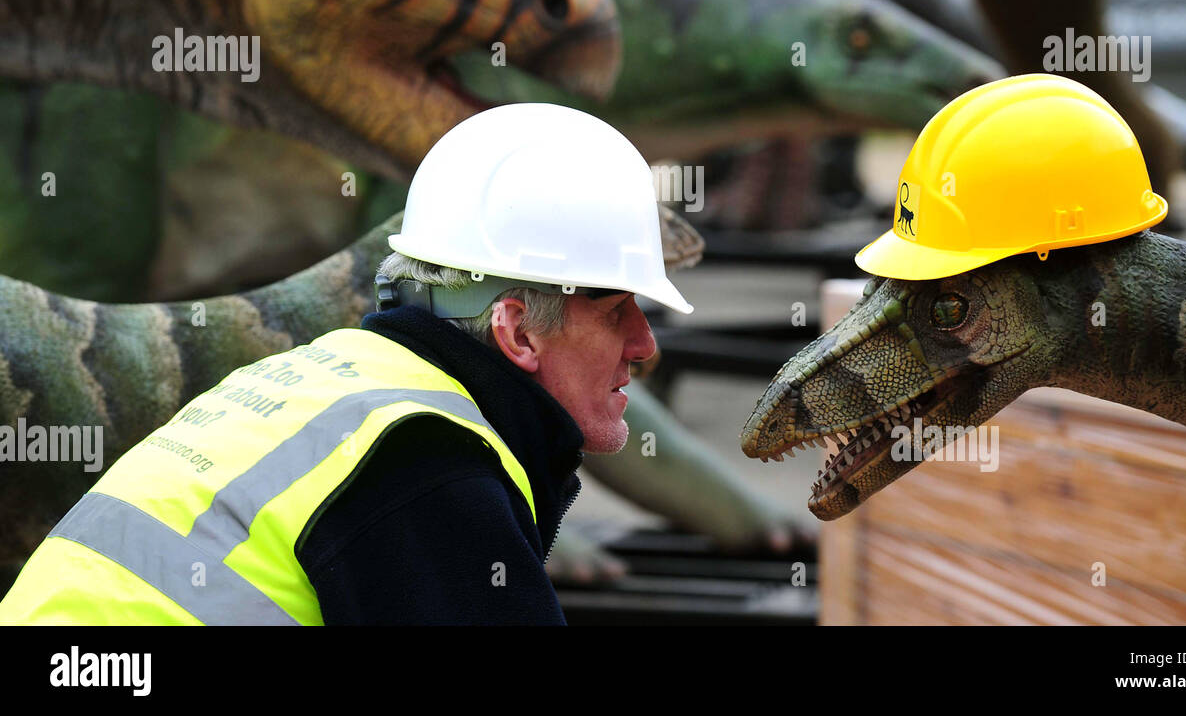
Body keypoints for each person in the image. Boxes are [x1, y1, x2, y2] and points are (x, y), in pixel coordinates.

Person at [0, 103, 692, 625]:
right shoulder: (423, 461)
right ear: (517, 332)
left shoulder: (333, 378)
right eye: (614, 312)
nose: (644, 344)